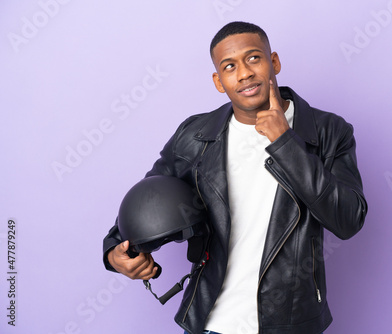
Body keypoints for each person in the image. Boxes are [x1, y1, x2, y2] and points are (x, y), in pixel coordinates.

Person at [103, 21, 367, 334]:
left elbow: (348, 219)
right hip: (209, 322)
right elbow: (150, 198)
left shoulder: (327, 131)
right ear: (219, 80)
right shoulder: (195, 136)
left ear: (274, 62)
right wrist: (114, 250)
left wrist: (285, 143)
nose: (244, 73)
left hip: (289, 324)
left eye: (254, 58)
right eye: (230, 66)